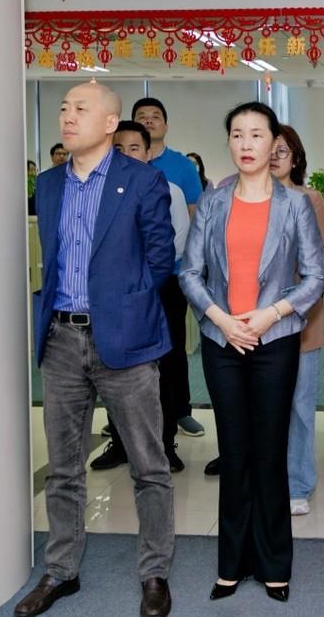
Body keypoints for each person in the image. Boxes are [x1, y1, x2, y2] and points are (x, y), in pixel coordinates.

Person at [19, 82, 175, 617]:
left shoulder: (142, 180)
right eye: (64, 107)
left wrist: (125, 307)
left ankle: (154, 573)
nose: (67, 116)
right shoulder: (49, 184)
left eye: (80, 109)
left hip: (125, 340)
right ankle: (61, 571)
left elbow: (161, 260)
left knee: (148, 466)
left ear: (110, 123)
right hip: (61, 340)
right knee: (64, 468)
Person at [179, 102, 324, 604]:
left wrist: (270, 315)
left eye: (256, 135)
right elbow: (189, 272)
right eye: (237, 134)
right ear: (229, 142)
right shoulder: (213, 201)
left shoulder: (295, 204)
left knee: (269, 451)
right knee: (235, 451)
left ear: (273, 144)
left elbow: (315, 276)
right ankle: (232, 563)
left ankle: (274, 563)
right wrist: (222, 320)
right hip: (223, 342)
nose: (246, 143)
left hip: (274, 341)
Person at [88, 121, 193, 474]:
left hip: (160, 290)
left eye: (134, 148)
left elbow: (176, 242)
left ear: (148, 153)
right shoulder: (99, 192)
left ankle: (165, 445)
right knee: (114, 368)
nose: (126, 154)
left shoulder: (169, 189)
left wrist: (141, 283)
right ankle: (119, 444)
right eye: (119, 148)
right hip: (112, 297)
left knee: (162, 371)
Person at [131, 97, 207, 439]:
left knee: (173, 345)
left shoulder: (181, 167)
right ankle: (128, 417)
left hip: (172, 273)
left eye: (155, 116)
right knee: (132, 350)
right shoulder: (120, 163)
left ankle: (180, 411)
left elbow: (194, 216)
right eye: (142, 116)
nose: (149, 121)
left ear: (165, 124)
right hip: (130, 277)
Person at [268, 125, 324, 516]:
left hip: (299, 319)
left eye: (283, 151)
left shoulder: (311, 200)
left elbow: (315, 264)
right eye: (270, 149)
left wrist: (281, 305)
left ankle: (298, 484)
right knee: (260, 407)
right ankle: (265, 480)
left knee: (299, 407)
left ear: (296, 158)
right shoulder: (241, 198)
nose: (275, 157)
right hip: (252, 323)